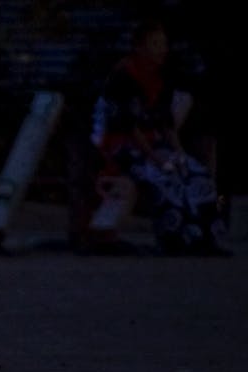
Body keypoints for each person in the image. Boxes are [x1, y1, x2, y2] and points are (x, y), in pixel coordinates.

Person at [90, 19, 229, 256]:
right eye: (155, 44)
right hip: (123, 147)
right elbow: (129, 128)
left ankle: (207, 237)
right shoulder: (123, 77)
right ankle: (174, 237)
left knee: (197, 175)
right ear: (139, 47)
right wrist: (157, 159)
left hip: (152, 144)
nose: (162, 49)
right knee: (165, 178)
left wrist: (179, 154)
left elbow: (166, 124)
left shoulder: (161, 77)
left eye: (163, 44)